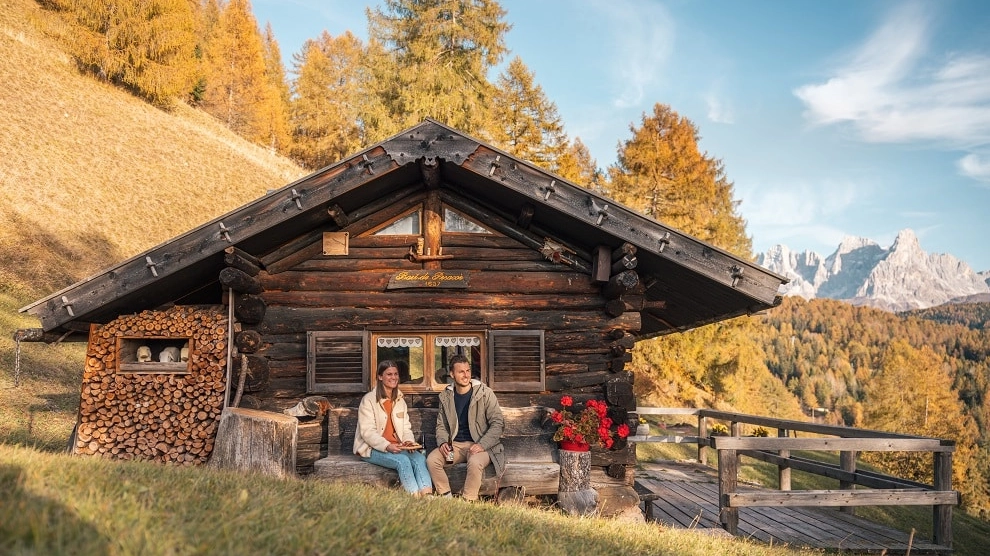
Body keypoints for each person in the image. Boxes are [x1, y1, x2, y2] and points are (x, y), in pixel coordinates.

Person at [426, 354, 505, 501]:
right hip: (455, 447)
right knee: (432, 460)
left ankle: (468, 501)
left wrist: (482, 444)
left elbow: (498, 423)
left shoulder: (484, 393)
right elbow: (441, 425)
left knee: (475, 462)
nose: (466, 375)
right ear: (452, 374)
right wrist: (443, 442)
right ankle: (446, 497)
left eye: (467, 370)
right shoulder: (446, 397)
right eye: (461, 372)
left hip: (482, 446)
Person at [354, 360, 433, 496]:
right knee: (403, 461)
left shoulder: (400, 400)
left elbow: (406, 428)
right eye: (389, 374)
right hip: (371, 449)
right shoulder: (368, 400)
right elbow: (367, 433)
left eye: (396, 374)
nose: (394, 377)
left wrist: (408, 441)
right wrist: (387, 446)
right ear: (380, 377)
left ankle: (427, 496)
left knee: (420, 459)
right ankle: (414, 497)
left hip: (397, 447)